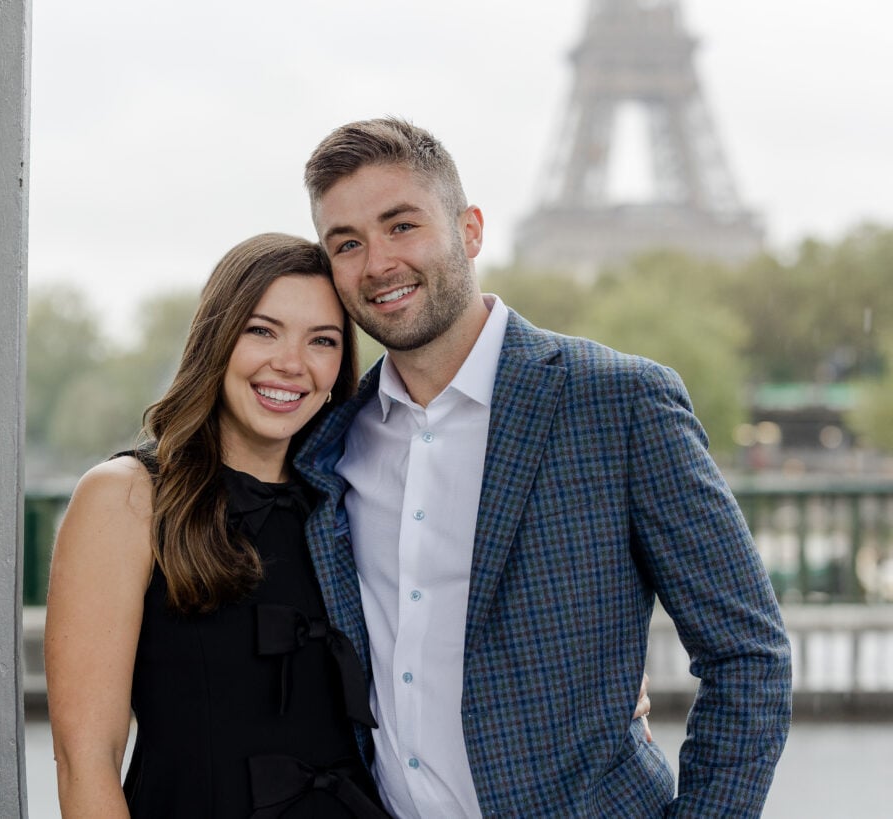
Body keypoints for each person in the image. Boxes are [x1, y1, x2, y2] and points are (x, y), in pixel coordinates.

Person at [294, 117, 793, 817]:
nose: (377, 262)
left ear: (470, 230)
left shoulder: (618, 402)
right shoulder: (329, 444)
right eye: (346, 243)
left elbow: (749, 654)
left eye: (401, 225)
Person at [44, 234, 390, 817]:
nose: (290, 362)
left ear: (340, 366)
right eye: (262, 330)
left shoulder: (356, 501)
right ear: (216, 339)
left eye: (322, 341)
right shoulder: (126, 497)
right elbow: (85, 760)